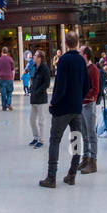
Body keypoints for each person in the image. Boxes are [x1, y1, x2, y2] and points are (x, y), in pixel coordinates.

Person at [40, 33, 88, 188]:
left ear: (66, 43)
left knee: (55, 141)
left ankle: (51, 177)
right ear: (77, 43)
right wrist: (78, 98)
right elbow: (86, 85)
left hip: (62, 109)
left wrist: (54, 103)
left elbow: (60, 86)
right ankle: (72, 174)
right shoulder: (81, 60)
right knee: (76, 139)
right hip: (76, 108)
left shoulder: (63, 60)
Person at [78, 45, 100, 174]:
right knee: (84, 134)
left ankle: (93, 161)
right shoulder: (82, 68)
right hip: (81, 105)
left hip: (88, 105)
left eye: (80, 52)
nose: (78, 54)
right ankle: (85, 158)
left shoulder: (93, 69)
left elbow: (95, 89)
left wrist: (82, 96)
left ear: (85, 55)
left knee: (91, 134)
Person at [28, 48, 51, 148]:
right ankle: (36, 136)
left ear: (40, 58)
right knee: (32, 120)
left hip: (41, 98)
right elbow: (32, 78)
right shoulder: (34, 66)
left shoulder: (45, 69)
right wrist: (31, 88)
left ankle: (41, 140)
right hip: (34, 97)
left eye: (35, 55)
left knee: (41, 121)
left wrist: (38, 91)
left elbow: (47, 83)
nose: (33, 56)